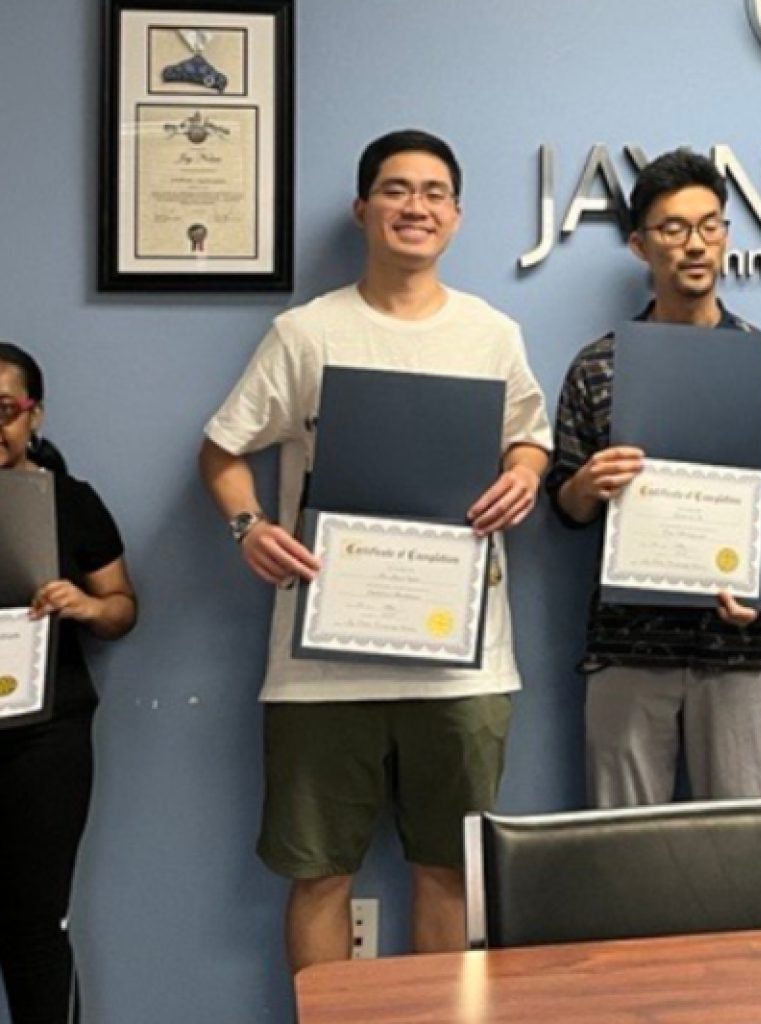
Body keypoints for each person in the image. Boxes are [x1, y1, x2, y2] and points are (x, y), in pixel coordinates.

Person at [198, 129, 551, 967]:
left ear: (457, 217)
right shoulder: (306, 333)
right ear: (364, 209)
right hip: (321, 667)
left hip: (465, 663)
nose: (415, 206)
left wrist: (527, 475)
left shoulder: (492, 334)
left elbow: (529, 441)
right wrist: (249, 528)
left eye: (433, 192)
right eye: (395, 190)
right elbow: (220, 451)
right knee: (318, 876)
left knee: (450, 875)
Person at [546, 149, 761, 808]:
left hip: (741, 647)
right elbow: (564, 505)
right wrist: (589, 482)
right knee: (623, 856)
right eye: (672, 229)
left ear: (726, 233)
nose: (694, 245)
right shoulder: (597, 366)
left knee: (745, 853)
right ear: (641, 245)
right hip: (627, 648)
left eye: (710, 225)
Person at [0, 342, 136, 1024]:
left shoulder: (71, 502)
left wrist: (85, 606)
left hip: (44, 737)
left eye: (4, 410)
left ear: (34, 415)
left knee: (34, 922)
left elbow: (123, 609)